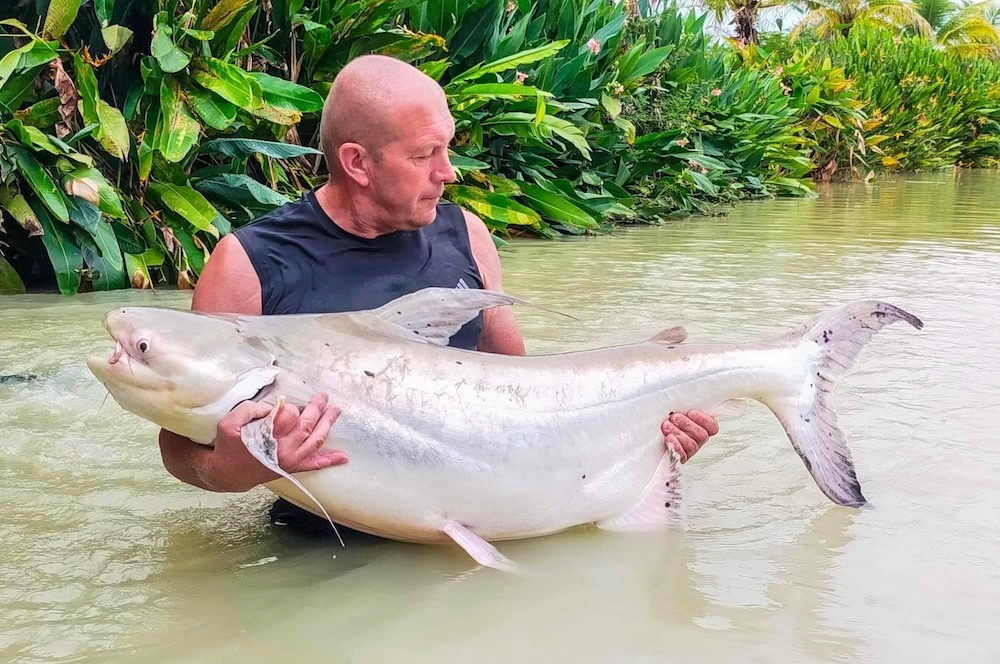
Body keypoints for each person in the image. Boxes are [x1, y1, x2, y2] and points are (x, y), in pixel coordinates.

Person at [157, 54, 720, 533]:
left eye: (446, 150)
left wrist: (646, 439)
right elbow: (180, 445)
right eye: (425, 154)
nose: (448, 172)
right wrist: (233, 469)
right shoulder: (249, 264)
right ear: (357, 162)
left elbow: (524, 395)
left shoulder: (467, 234)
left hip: (470, 526)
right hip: (316, 545)